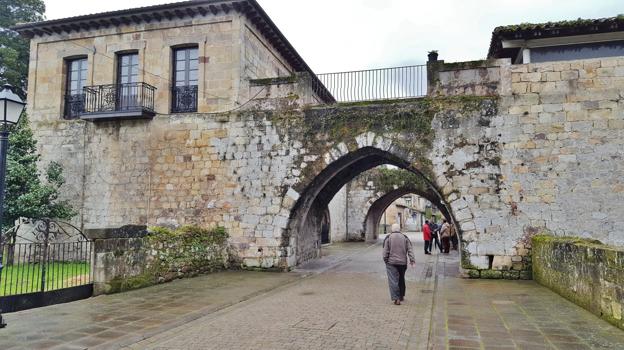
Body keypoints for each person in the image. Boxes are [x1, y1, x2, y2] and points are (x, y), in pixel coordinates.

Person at [383, 224, 415, 305]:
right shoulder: (405, 237)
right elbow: (410, 249)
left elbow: (385, 252)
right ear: (399, 229)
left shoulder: (388, 238)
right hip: (402, 263)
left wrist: (386, 260)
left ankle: (396, 298)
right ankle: (401, 296)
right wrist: (412, 260)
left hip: (391, 263)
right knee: (401, 279)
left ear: (392, 229)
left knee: (393, 280)